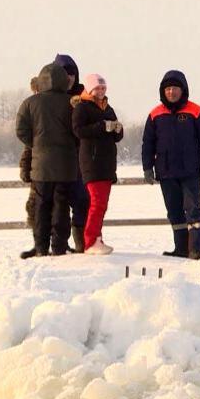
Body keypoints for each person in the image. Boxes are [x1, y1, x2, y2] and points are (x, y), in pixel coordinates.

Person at [141, 70, 200, 259]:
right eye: (167, 89)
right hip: (166, 172)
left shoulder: (196, 111)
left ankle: (196, 249)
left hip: (191, 172)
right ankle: (181, 248)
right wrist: (147, 167)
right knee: (174, 212)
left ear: (182, 90)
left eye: (175, 88)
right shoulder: (155, 114)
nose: (171, 92)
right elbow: (147, 143)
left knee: (193, 211)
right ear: (162, 91)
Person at [16, 63, 79, 256]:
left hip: (40, 166)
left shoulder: (30, 103)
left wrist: (37, 145)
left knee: (41, 207)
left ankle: (41, 247)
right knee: (61, 206)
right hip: (66, 165)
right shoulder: (71, 104)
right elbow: (78, 131)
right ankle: (59, 247)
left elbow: (21, 131)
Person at [73, 74, 123, 255]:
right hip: (92, 163)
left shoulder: (108, 108)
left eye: (103, 88)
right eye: (97, 89)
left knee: (102, 204)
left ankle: (97, 238)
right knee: (97, 203)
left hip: (107, 163)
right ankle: (90, 240)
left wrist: (118, 129)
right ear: (90, 90)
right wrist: (102, 126)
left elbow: (116, 136)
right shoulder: (82, 108)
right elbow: (78, 131)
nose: (101, 91)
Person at [54, 53, 90, 253]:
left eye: (72, 74)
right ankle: (58, 245)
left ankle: (82, 244)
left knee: (82, 201)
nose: (68, 78)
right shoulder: (47, 98)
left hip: (79, 159)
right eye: (63, 74)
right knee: (58, 205)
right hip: (55, 161)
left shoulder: (85, 97)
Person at [19, 76, 41, 259]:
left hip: (47, 167)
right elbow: (29, 146)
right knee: (33, 207)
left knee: (52, 207)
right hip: (37, 167)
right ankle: (39, 244)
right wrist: (25, 167)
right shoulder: (34, 112)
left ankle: (48, 244)